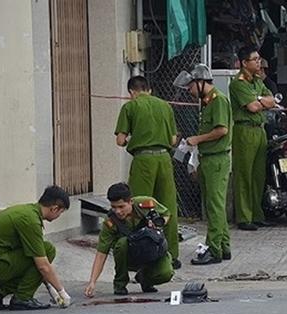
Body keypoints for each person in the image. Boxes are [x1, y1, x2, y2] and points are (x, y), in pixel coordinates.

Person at [115, 76, 180, 269]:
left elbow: (120, 140)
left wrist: (131, 140)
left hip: (143, 160)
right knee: (167, 206)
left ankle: (141, 253)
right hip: (164, 159)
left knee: (139, 207)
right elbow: (173, 139)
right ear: (149, 89)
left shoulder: (130, 107)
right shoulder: (165, 106)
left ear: (131, 92)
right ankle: (171, 255)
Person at [0, 186, 71, 310]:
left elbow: (35, 266)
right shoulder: (30, 221)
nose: (59, 216)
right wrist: (61, 292)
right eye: (61, 212)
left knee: (40, 254)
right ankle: (22, 298)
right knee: (48, 250)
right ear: (54, 208)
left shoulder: (27, 212)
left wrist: (51, 289)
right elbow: (42, 266)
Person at [173, 64, 233, 264]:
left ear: (200, 83)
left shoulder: (218, 101)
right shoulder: (207, 103)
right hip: (209, 158)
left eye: (190, 87)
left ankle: (213, 249)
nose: (189, 91)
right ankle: (223, 246)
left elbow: (222, 130)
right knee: (214, 205)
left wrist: (197, 139)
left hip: (217, 159)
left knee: (214, 206)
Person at [84, 183, 174, 297]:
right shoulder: (110, 222)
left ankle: (145, 279)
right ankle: (120, 283)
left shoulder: (145, 204)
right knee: (122, 243)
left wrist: (158, 224)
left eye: (121, 207)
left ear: (130, 201)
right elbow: (101, 253)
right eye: (113, 207)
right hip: (130, 256)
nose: (117, 211)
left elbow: (166, 213)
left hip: (152, 250)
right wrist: (92, 282)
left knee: (166, 273)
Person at [229, 46, 276, 231]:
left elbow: (272, 100)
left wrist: (260, 100)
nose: (258, 62)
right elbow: (253, 107)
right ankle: (244, 217)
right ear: (244, 63)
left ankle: (257, 214)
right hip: (245, 131)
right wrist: (261, 101)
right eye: (254, 59)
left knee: (258, 175)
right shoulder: (238, 83)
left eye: (258, 59)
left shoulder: (257, 81)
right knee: (244, 175)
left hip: (260, 129)